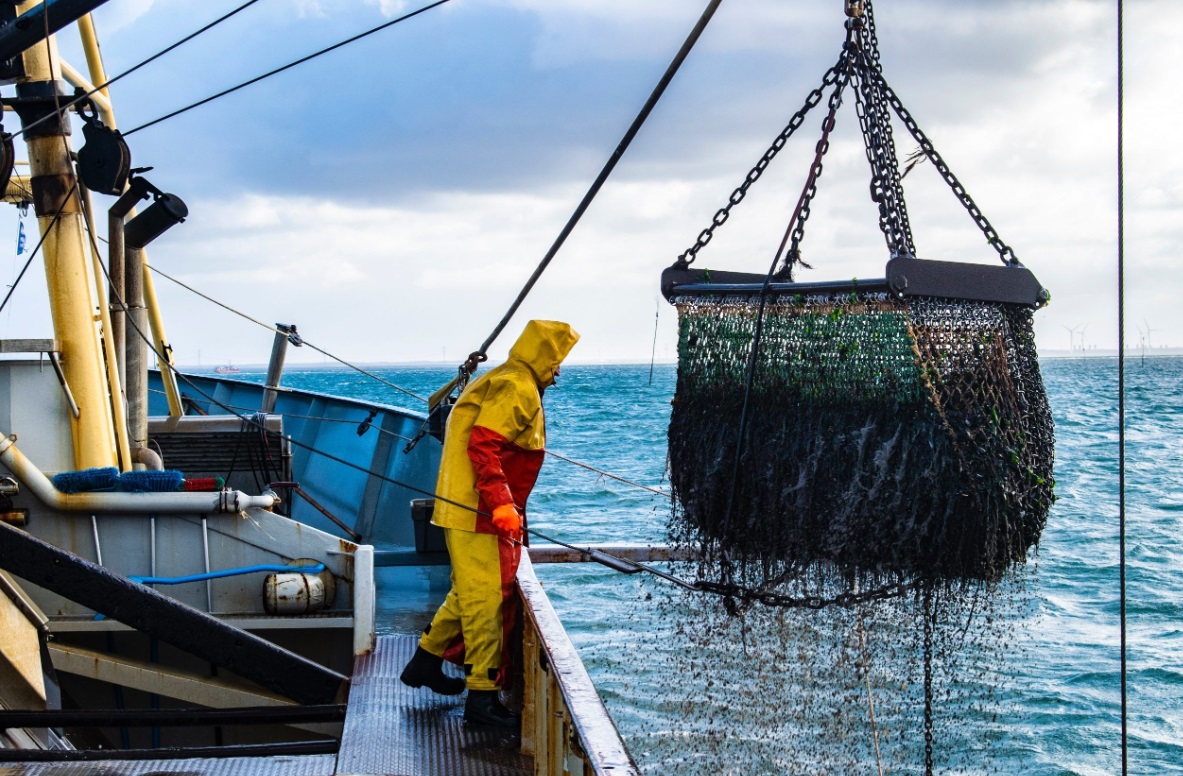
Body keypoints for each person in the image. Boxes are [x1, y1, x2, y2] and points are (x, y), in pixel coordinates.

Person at [400, 319, 580, 727]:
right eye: (556, 361)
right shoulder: (517, 387)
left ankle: (425, 661)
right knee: (488, 600)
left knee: (469, 591)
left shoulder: (503, 376)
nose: (557, 372)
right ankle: (482, 698)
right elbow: (483, 445)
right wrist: (501, 504)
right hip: (478, 511)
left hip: (463, 507)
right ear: (543, 356)